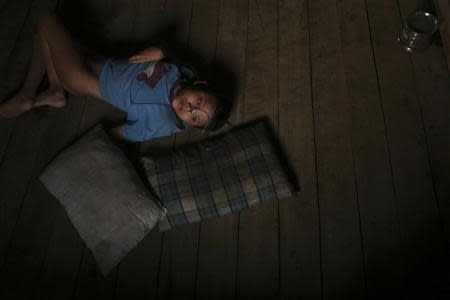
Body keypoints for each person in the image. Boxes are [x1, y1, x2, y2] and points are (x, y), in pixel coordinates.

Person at [0, 13, 229, 142]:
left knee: (46, 22)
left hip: (83, 78)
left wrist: (103, 138)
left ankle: (29, 93)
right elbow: (177, 55)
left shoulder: (163, 120)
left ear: (190, 126)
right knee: (46, 37)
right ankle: (55, 92)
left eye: (195, 118)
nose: (190, 109)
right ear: (199, 85)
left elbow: (129, 133)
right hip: (99, 60)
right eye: (198, 102)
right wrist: (162, 52)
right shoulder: (184, 73)